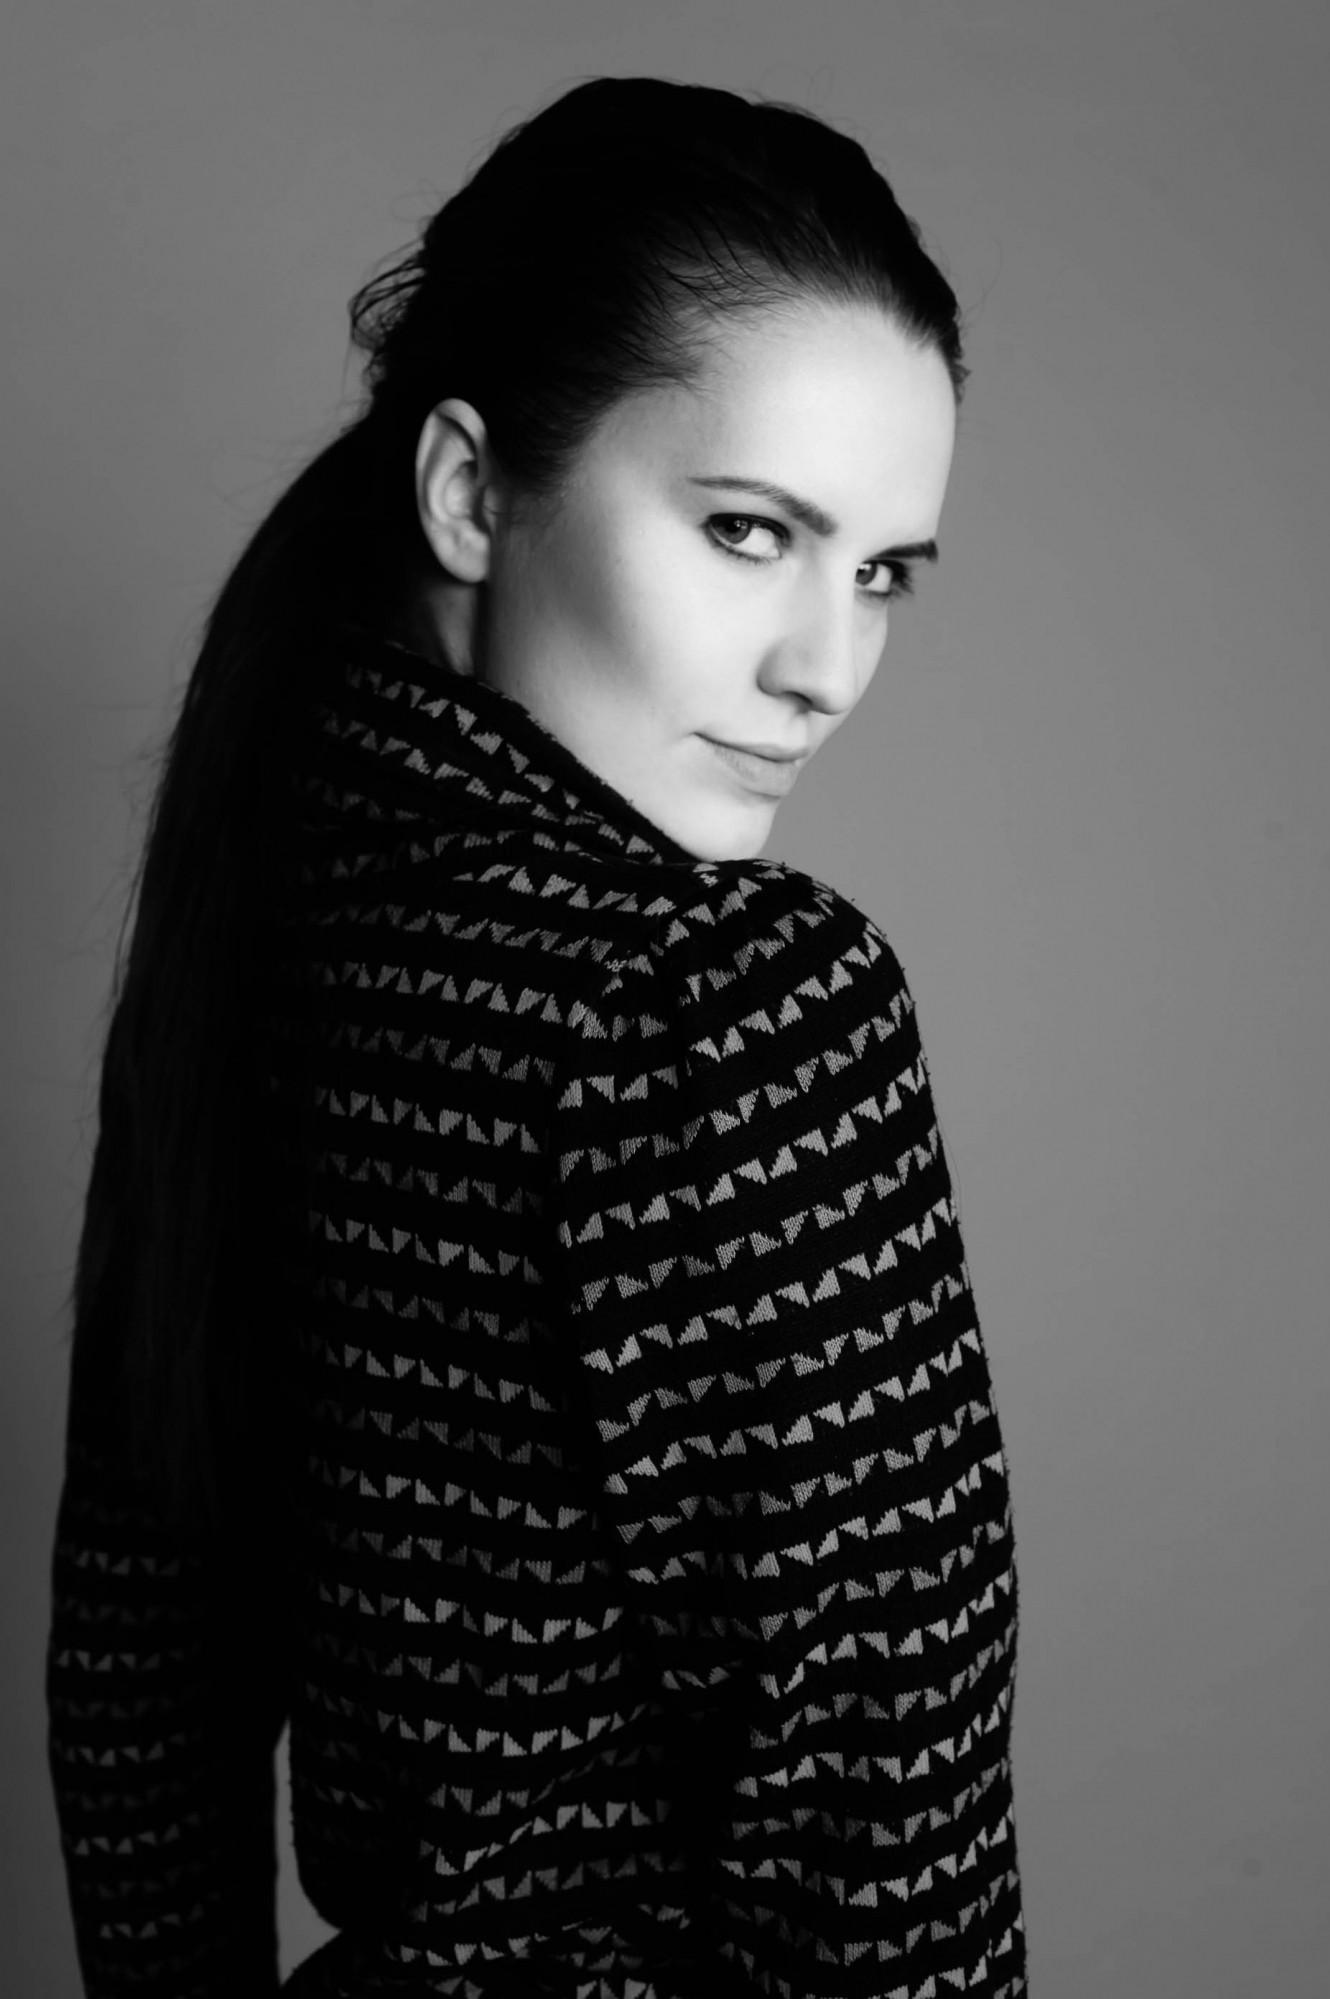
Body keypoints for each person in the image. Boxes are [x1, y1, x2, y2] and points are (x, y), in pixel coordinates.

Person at [45, 74, 1027, 1998]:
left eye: (878, 572)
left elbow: (140, 1664)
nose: (825, 668)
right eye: (747, 531)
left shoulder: (260, 936)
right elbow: (885, 1847)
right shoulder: (729, 1001)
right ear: (471, 491)